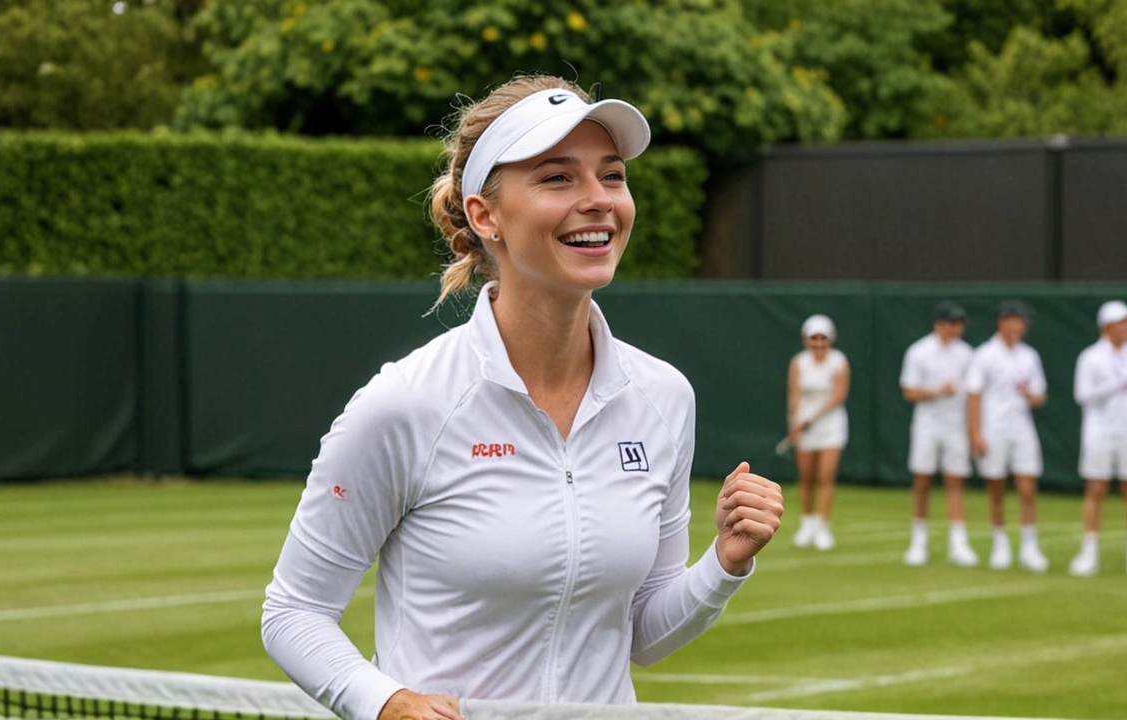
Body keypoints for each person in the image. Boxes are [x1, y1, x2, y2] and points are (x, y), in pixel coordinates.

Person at [260, 76, 784, 720]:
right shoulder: (403, 404)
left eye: (612, 176)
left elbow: (640, 633)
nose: (598, 200)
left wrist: (724, 565)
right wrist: (386, 702)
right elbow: (294, 612)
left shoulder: (664, 397)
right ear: (485, 215)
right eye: (558, 178)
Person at [1067, 301, 1127, 578]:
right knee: (1095, 489)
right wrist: (1113, 385)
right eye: (1122, 322)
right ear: (1107, 327)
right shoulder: (1089, 357)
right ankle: (1089, 553)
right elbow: (1081, 395)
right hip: (1099, 432)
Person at [965, 300, 1049, 572]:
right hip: (993, 430)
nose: (1021, 326)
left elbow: (1039, 397)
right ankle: (1000, 545)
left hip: (1022, 429)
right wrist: (975, 433)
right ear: (1004, 321)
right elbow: (974, 396)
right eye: (1017, 320)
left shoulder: (1030, 356)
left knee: (1027, 488)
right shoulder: (984, 355)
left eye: (1023, 322)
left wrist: (1030, 395)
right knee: (996, 490)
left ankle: (1029, 547)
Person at [900, 301, 978, 567]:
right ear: (940, 324)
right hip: (927, 425)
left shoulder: (968, 354)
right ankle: (918, 543)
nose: (958, 328)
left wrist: (972, 429)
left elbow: (973, 395)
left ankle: (959, 544)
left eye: (960, 323)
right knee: (922, 481)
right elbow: (909, 391)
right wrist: (936, 391)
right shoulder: (919, 352)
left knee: (955, 481)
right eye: (953, 323)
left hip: (956, 427)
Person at [787, 314, 850, 550]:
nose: (819, 343)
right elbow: (793, 394)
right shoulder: (798, 362)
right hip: (804, 426)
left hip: (831, 426)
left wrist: (814, 417)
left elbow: (838, 395)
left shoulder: (839, 361)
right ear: (806, 340)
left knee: (825, 476)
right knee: (805, 477)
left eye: (823, 338)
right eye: (814, 338)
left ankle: (823, 526)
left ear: (830, 339)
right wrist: (794, 422)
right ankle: (807, 524)